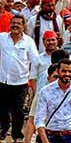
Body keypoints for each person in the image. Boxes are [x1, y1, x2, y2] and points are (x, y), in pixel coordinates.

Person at [0, 14, 39, 143]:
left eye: (19, 23)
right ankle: (4, 129)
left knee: (18, 111)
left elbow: (35, 61)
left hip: (20, 82)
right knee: (2, 108)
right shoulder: (2, 38)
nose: (15, 25)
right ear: (9, 25)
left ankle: (17, 134)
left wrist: (31, 78)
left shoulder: (29, 42)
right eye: (13, 23)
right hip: (2, 80)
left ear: (23, 27)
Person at [34, 59, 71, 143]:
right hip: (53, 136)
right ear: (58, 71)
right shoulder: (45, 91)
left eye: (70, 71)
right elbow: (39, 120)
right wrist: (45, 141)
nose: (67, 74)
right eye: (64, 71)